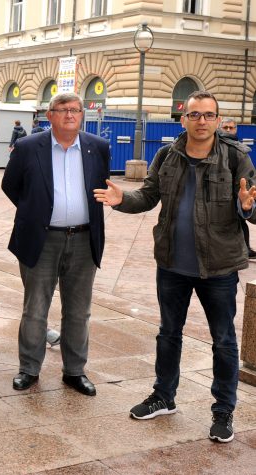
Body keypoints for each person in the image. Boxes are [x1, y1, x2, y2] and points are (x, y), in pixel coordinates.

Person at [94, 90, 256, 443]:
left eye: (208, 115)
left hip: (219, 267)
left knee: (224, 340)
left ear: (217, 119)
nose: (201, 121)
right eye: (194, 115)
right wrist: (123, 199)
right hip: (171, 264)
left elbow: (252, 204)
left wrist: (247, 206)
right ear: (183, 118)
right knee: (169, 333)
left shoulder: (234, 158)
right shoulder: (168, 155)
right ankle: (164, 396)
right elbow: (148, 196)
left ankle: (223, 411)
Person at [2, 92, 110, 396]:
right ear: (49, 116)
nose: (69, 115)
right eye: (62, 110)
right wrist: (35, 211)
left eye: (75, 110)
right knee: (35, 308)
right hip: (41, 238)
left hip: (84, 238)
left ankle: (75, 371)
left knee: (78, 311)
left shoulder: (97, 148)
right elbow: (10, 185)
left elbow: (101, 188)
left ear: (81, 115)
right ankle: (29, 369)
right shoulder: (27, 147)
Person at [219, 118, 256, 258]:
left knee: (241, 222)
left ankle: (245, 249)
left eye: (231, 128)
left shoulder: (240, 151)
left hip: (237, 194)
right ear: (219, 127)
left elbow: (248, 178)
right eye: (225, 127)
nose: (228, 130)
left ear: (236, 129)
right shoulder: (214, 147)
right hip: (222, 196)